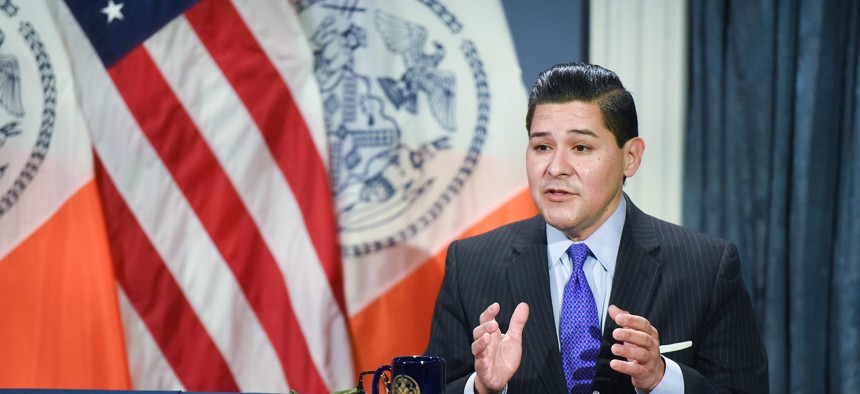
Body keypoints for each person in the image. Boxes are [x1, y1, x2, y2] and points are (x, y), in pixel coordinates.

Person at [425, 62, 768, 393]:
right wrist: (481, 388)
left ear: (630, 157)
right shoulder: (470, 264)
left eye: (581, 147)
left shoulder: (706, 267)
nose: (556, 168)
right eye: (542, 146)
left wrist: (661, 380)